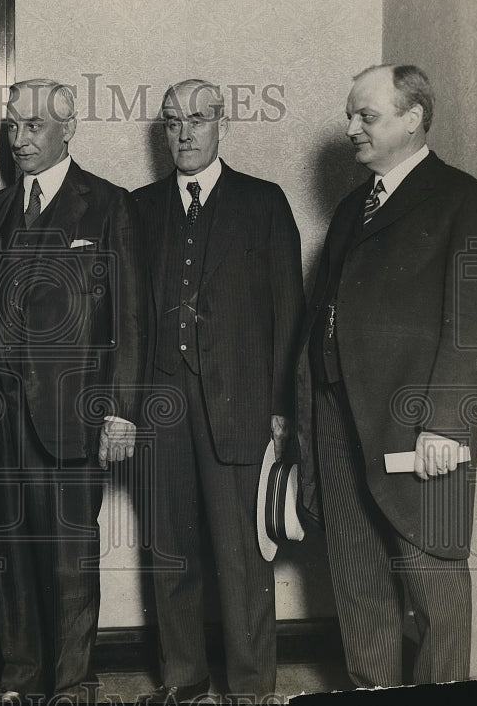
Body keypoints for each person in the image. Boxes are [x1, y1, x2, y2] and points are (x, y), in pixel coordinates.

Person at [295, 64, 477, 686]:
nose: (350, 128)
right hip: (338, 426)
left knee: (436, 592)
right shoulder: (350, 209)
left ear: (413, 118)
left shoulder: (465, 200)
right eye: (350, 114)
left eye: (366, 115)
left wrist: (446, 424)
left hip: (419, 434)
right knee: (359, 591)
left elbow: (475, 325)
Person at [0, 79, 144, 702]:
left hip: (72, 415)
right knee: (10, 553)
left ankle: (73, 682)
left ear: (68, 130)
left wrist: (121, 413)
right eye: (12, 126)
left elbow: (130, 319)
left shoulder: (109, 206)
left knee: (68, 560)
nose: (18, 139)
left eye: (32, 126)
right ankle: (21, 679)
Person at [131, 79, 304, 702]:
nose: (184, 132)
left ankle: (252, 688)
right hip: (161, 406)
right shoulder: (139, 209)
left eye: (198, 120)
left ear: (220, 124)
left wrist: (284, 409)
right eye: (173, 122)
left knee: (242, 558)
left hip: (242, 408)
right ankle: (184, 677)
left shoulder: (264, 202)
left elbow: (289, 309)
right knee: (171, 550)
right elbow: (126, 318)